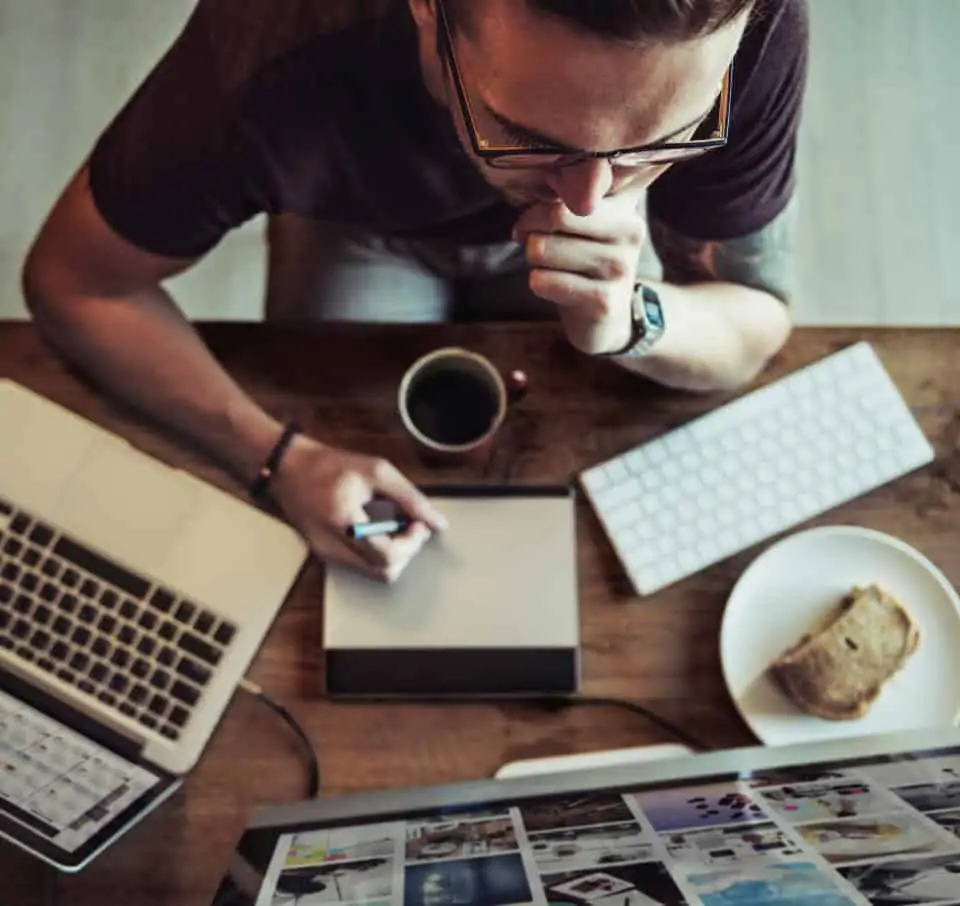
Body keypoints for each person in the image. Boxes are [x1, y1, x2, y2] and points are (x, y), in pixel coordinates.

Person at [21, 0, 809, 582]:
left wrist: (637, 314)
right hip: (364, 228)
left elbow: (756, 323)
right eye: (528, 137)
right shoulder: (266, 50)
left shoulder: (753, 27)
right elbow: (73, 285)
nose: (584, 204)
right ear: (427, 12)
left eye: (665, 140)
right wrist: (277, 458)